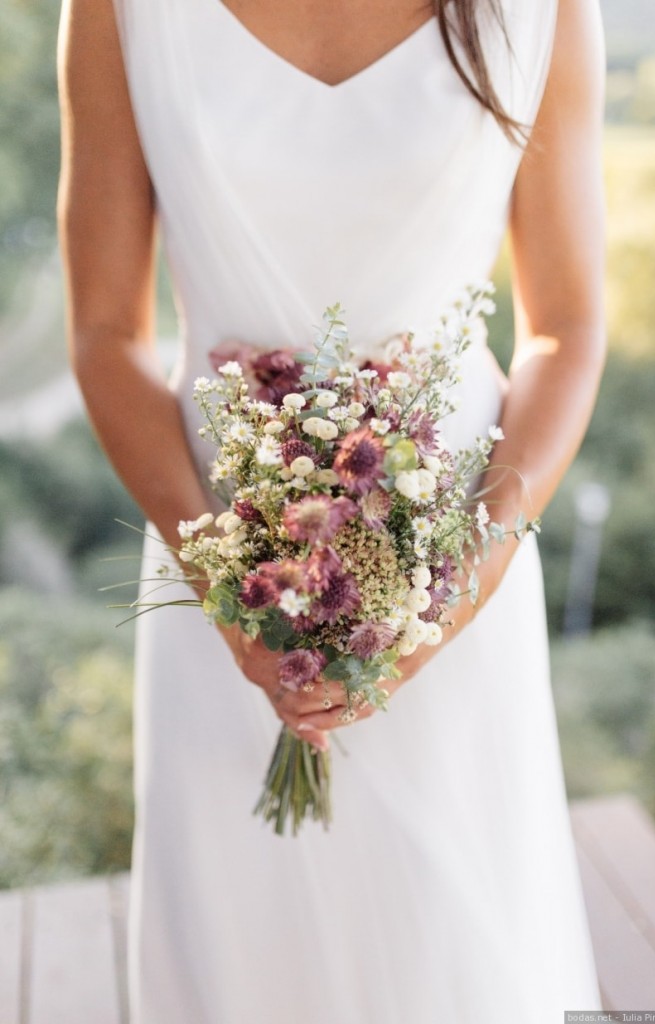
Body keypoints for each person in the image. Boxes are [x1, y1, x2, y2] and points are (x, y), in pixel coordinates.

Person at [57, 0, 606, 1020]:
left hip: (458, 571)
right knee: (239, 956)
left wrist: (464, 573)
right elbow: (102, 330)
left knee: (458, 966)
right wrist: (223, 578)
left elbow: (567, 324)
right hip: (219, 584)